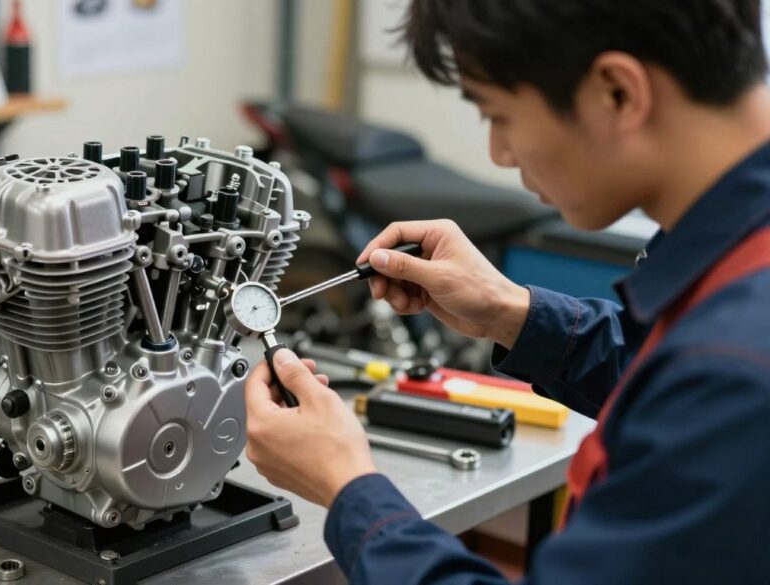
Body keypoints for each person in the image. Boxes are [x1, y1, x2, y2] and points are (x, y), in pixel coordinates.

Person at [243, 1, 770, 583]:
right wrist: (512, 314)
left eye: (498, 116)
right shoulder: (735, 281)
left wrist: (346, 487)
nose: (499, 153)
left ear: (617, 92)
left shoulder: (736, 372)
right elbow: (665, 381)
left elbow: (707, 388)